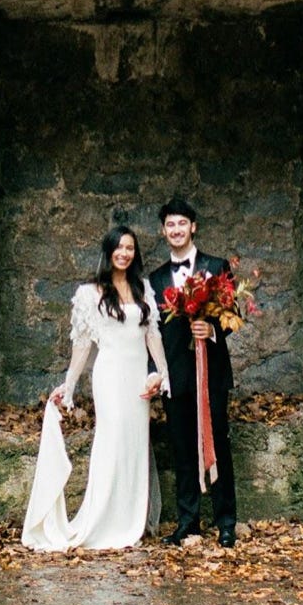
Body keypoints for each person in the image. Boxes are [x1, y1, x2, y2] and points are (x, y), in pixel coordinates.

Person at [22, 225, 171, 551]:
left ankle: (128, 519)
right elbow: (83, 344)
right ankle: (101, 521)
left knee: (133, 445)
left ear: (135, 253)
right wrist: (69, 385)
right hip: (109, 376)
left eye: (130, 247)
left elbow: (152, 336)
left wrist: (161, 373)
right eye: (119, 247)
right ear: (109, 252)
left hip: (137, 380)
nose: (124, 253)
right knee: (112, 442)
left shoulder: (143, 288)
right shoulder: (90, 293)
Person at [147, 198, 239, 547]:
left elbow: (234, 316)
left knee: (218, 445)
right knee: (182, 448)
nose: (176, 230)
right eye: (170, 225)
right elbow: (152, 331)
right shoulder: (154, 279)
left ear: (193, 227)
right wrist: (155, 372)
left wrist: (212, 331)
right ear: (163, 231)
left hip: (211, 373)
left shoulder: (217, 267)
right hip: (177, 374)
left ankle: (226, 522)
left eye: (182, 223)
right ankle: (188, 522)